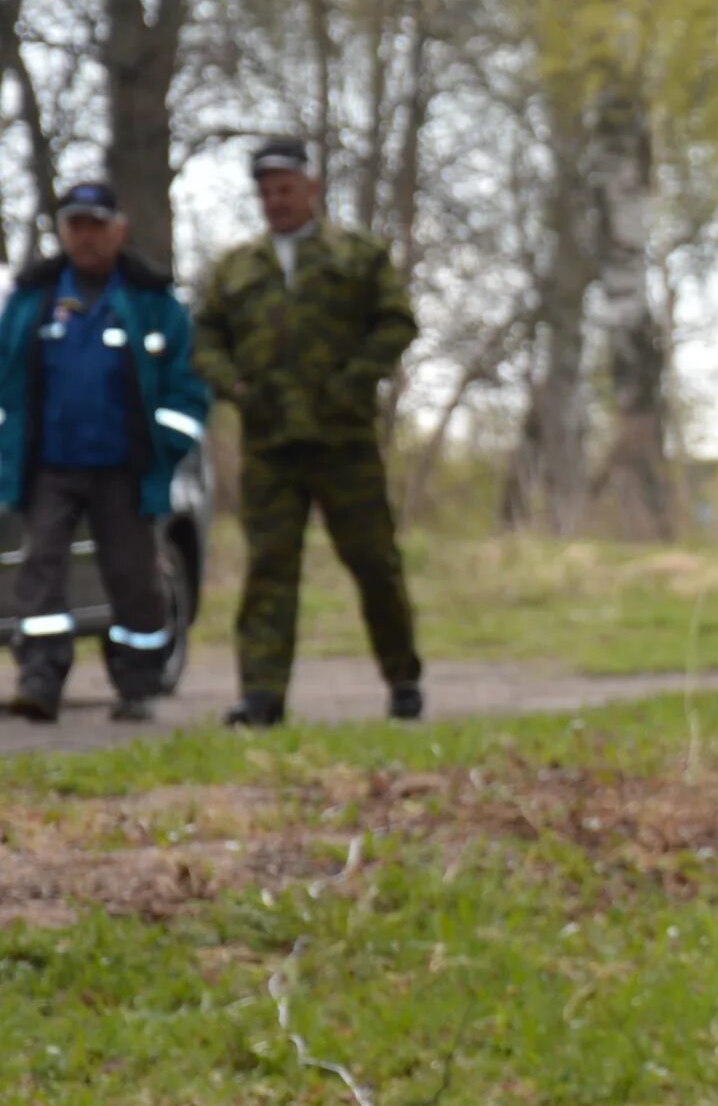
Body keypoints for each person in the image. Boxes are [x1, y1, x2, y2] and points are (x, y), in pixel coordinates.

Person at [190, 138, 423, 727]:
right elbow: (205, 340)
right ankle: (263, 696)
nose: (276, 200)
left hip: (343, 439)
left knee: (373, 562)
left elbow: (397, 321)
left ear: (311, 187)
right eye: (265, 192)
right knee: (270, 567)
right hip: (270, 443)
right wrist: (236, 388)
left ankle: (402, 680)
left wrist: (356, 379)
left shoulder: (357, 254)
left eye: (286, 188)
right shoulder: (236, 267)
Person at [0, 182, 208, 723]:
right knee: (40, 568)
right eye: (75, 226)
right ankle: (41, 678)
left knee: (133, 578)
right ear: (63, 232)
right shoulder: (30, 300)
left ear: (118, 230)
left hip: (126, 471)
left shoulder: (153, 302)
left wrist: (166, 444)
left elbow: (189, 385)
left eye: (96, 225)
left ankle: (137, 684)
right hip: (49, 468)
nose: (85, 237)